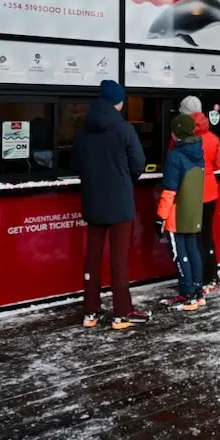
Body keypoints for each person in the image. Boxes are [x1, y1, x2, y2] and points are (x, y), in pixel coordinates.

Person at [72, 79, 151, 330]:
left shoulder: (82, 131)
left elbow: (76, 164)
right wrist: (124, 180)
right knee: (119, 259)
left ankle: (90, 312)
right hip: (119, 203)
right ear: (118, 102)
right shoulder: (124, 129)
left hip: (93, 201)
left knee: (92, 258)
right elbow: (139, 163)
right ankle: (121, 313)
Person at [168, 96, 220, 294]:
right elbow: (218, 164)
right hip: (210, 190)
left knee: (192, 239)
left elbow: (173, 164)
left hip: (190, 193)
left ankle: (196, 280)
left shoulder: (180, 136)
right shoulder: (213, 138)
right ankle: (212, 276)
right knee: (207, 235)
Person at [157, 114, 206, 311]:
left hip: (176, 213)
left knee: (179, 253)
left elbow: (169, 190)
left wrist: (160, 217)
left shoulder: (174, 156)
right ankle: (198, 291)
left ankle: (187, 294)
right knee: (193, 249)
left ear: (176, 134)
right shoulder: (198, 152)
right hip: (193, 210)